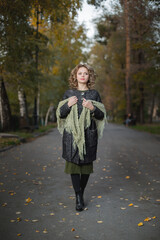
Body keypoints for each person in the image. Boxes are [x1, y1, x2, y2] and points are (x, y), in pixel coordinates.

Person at [56, 63, 106, 211]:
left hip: (88, 135)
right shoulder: (68, 93)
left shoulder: (94, 94)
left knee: (85, 167)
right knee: (73, 166)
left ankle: (81, 193)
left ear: (89, 76)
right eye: (80, 73)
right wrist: (68, 105)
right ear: (75, 76)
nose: (83, 75)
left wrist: (93, 108)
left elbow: (101, 115)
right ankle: (78, 196)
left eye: (86, 73)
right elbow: (60, 114)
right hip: (71, 135)